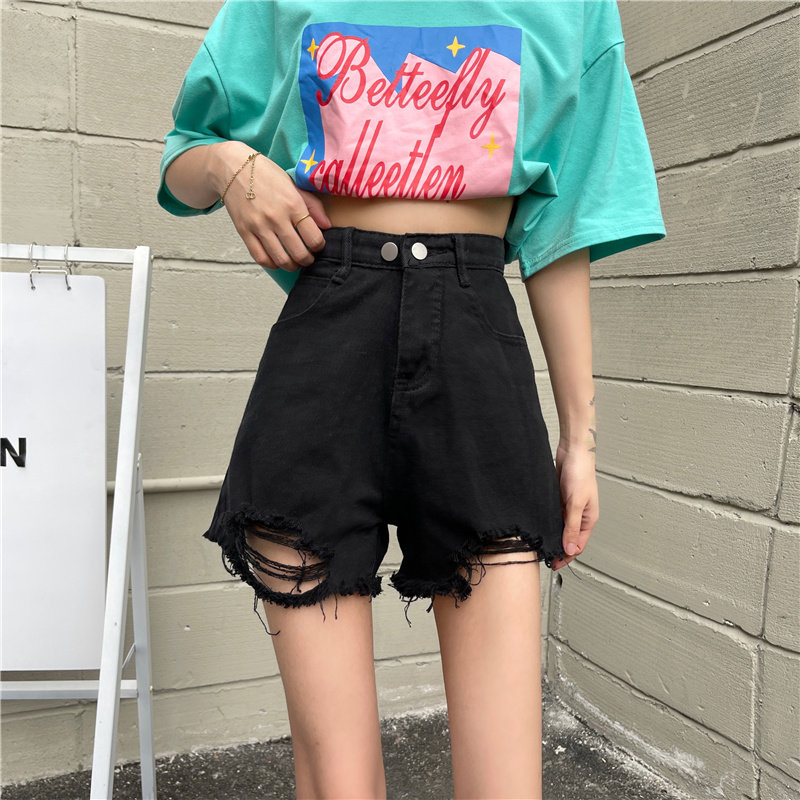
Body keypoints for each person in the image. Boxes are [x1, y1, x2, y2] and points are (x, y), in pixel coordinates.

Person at [158, 2, 665, 797]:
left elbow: (564, 227)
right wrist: (230, 166)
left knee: (506, 782)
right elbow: (184, 156)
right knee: (337, 779)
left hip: (477, 350)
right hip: (325, 348)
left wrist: (581, 439)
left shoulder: (575, 9)